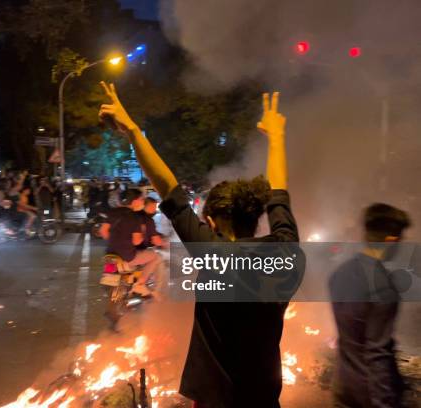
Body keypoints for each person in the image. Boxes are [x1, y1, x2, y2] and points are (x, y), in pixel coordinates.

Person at [99, 82, 300, 407]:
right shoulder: (286, 250)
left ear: (215, 221)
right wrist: (277, 138)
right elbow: (279, 195)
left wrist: (134, 131)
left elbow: (168, 188)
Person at [329, 204, 411, 408]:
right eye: (401, 240)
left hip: (342, 388)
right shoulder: (383, 288)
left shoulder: (339, 274)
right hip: (368, 396)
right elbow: (377, 354)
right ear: (391, 241)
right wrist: (384, 403)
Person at [99, 188, 162, 297]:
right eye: (141, 199)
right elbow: (137, 241)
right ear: (135, 201)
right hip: (127, 255)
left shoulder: (113, 212)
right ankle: (140, 283)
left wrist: (116, 241)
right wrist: (143, 234)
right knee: (156, 257)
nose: (143, 202)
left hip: (110, 253)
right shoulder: (134, 217)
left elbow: (103, 231)